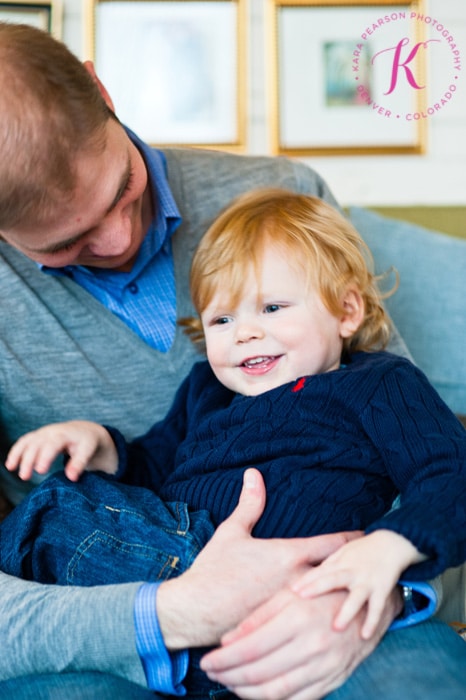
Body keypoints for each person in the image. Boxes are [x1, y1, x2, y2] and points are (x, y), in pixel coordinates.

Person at [0, 20, 465, 700]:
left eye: (121, 190)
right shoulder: (206, 389)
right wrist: (105, 451)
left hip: (325, 583)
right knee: (56, 513)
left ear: (102, 89)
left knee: (418, 683)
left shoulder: (367, 368)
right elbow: (156, 458)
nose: (122, 237)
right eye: (68, 242)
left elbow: (441, 467)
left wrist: (386, 579)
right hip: (126, 605)